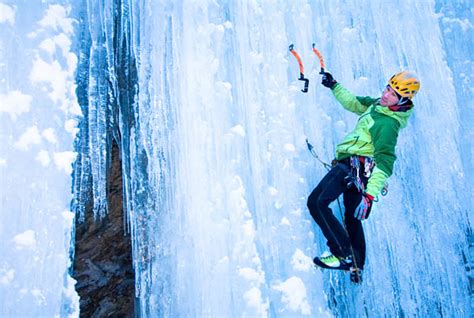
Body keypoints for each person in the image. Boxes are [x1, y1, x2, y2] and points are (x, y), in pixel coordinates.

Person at [307, 71, 420, 283]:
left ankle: (342, 254)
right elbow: (354, 103)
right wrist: (334, 85)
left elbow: (385, 162)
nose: (386, 95)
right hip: (359, 173)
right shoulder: (378, 105)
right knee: (352, 216)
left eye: (393, 94)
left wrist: (369, 196)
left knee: (317, 202)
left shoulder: (388, 124)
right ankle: (357, 263)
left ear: (403, 100)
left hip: (353, 166)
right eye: (388, 88)